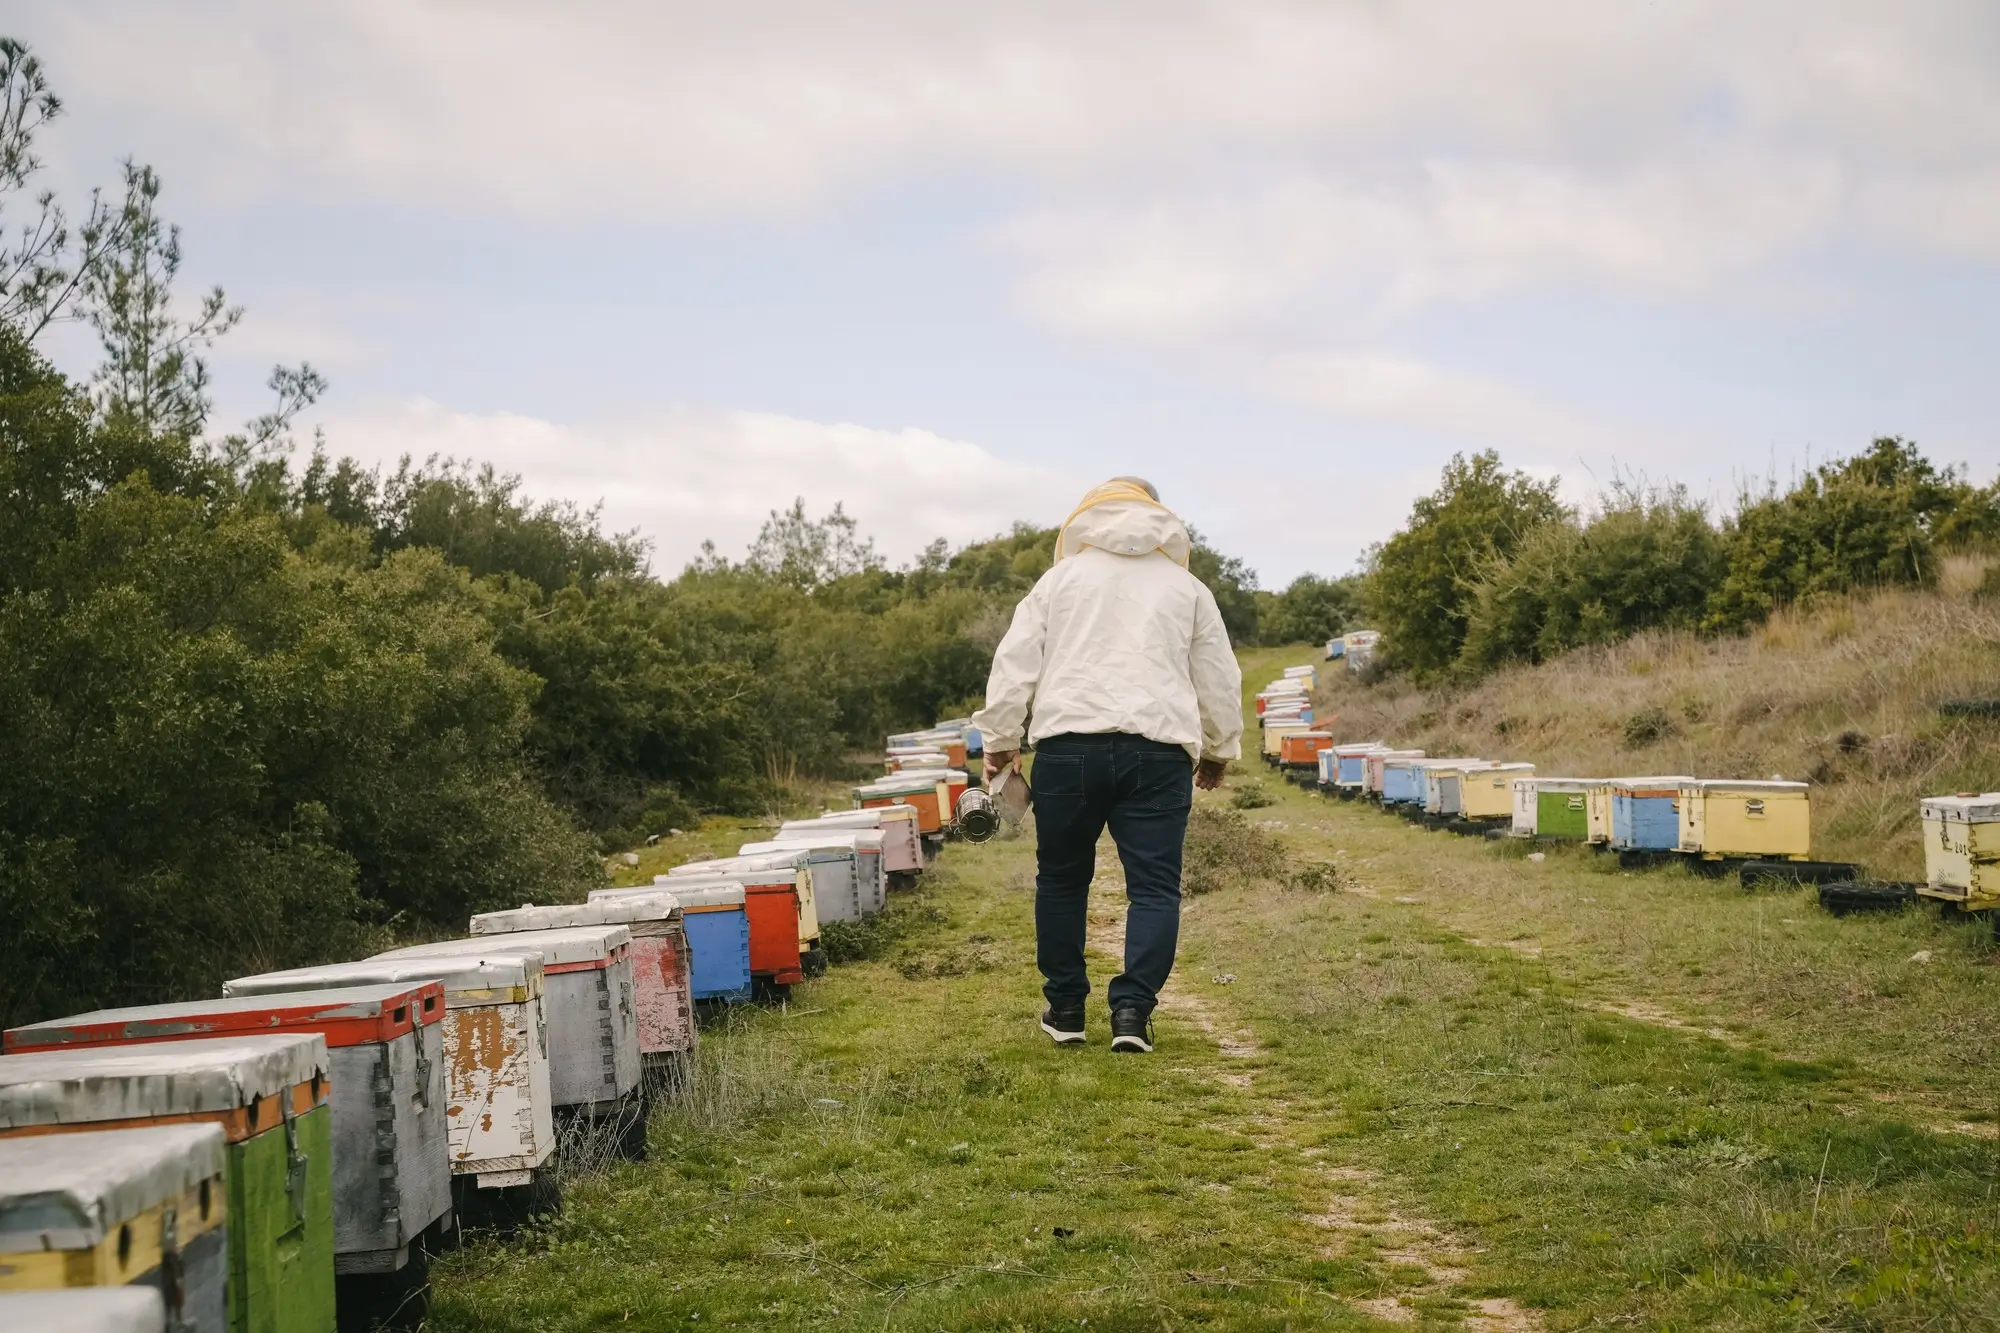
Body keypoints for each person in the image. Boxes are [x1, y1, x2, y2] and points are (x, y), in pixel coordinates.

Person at [971, 478, 1243, 1053]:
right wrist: (1219, 750)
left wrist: (999, 738)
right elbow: (1218, 678)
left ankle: (1067, 1008)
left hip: (1069, 750)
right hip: (1159, 752)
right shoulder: (1187, 588)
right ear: (1158, 518)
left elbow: (1014, 662)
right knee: (1154, 888)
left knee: (1063, 880)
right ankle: (1132, 1014)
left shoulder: (1057, 582)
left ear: (1086, 519)